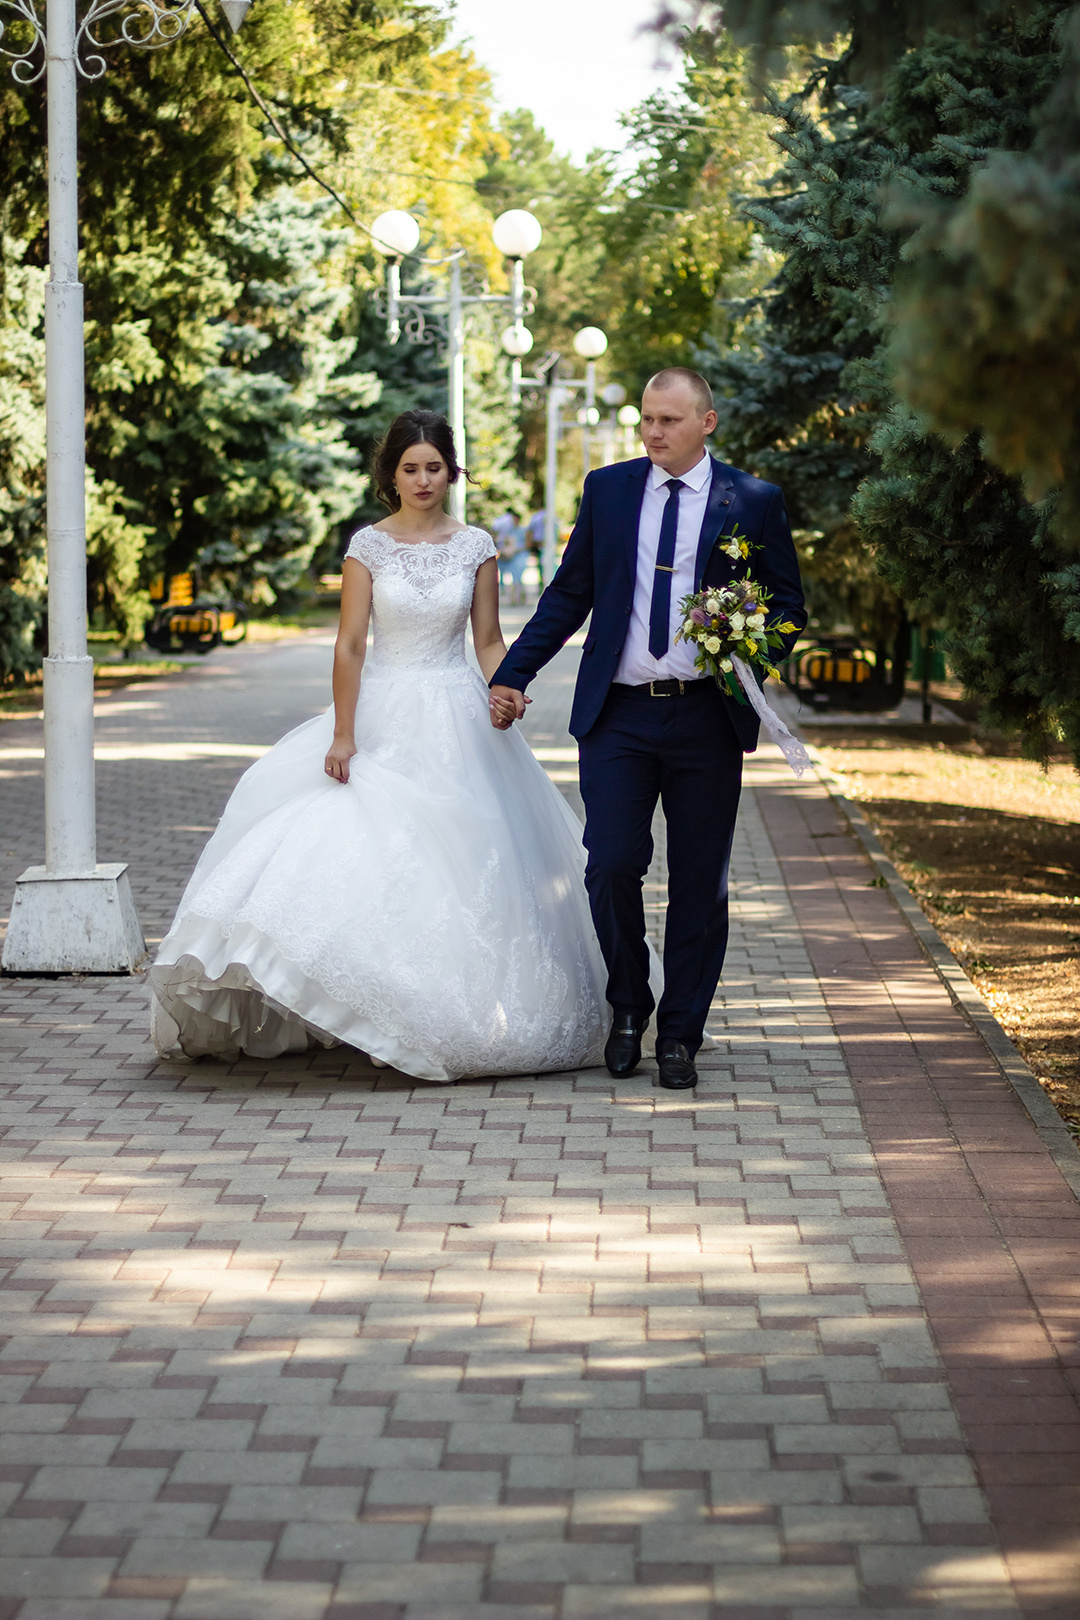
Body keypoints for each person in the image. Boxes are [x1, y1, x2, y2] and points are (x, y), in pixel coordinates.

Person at [148, 410, 610, 1082]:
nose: (424, 480)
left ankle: (462, 1013)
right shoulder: (368, 546)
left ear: (452, 471)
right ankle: (369, 1004)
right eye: (410, 468)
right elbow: (351, 643)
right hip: (385, 710)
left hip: (459, 715)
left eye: (434, 467)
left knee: (471, 866)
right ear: (391, 476)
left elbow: (485, 639)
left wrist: (504, 686)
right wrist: (343, 732)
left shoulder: (475, 544)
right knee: (373, 853)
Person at [490, 368, 807, 1091]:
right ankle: (629, 1005)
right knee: (609, 863)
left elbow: (787, 605)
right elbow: (570, 593)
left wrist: (748, 647)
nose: (653, 432)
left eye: (668, 420)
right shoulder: (609, 489)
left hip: (705, 716)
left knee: (701, 883)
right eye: (646, 420)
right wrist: (514, 673)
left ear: (707, 422)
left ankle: (681, 1033)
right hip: (620, 715)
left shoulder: (752, 502)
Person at [495, 511, 528, 605]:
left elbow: (527, 543)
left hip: (520, 555)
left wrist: (517, 549)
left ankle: (518, 596)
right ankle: (514, 597)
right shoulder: (509, 531)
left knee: (518, 577)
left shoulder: (523, 530)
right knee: (512, 577)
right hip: (511, 557)